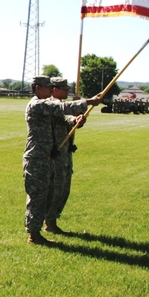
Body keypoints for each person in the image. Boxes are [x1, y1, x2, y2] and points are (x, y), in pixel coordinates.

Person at [23, 76, 99, 245]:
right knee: (37, 196)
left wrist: (75, 120)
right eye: (47, 87)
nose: (51, 90)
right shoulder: (37, 104)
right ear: (37, 88)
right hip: (36, 158)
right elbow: (62, 107)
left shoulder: (46, 105)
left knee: (49, 195)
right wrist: (89, 101)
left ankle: (42, 229)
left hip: (49, 157)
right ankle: (33, 235)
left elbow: (63, 117)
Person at [45, 77, 87, 234]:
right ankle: (49, 222)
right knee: (55, 188)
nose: (68, 91)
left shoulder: (65, 104)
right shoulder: (50, 104)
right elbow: (63, 116)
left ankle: (52, 220)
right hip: (54, 152)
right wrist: (74, 115)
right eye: (64, 89)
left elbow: (72, 120)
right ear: (55, 89)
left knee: (64, 189)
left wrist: (79, 118)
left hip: (66, 151)